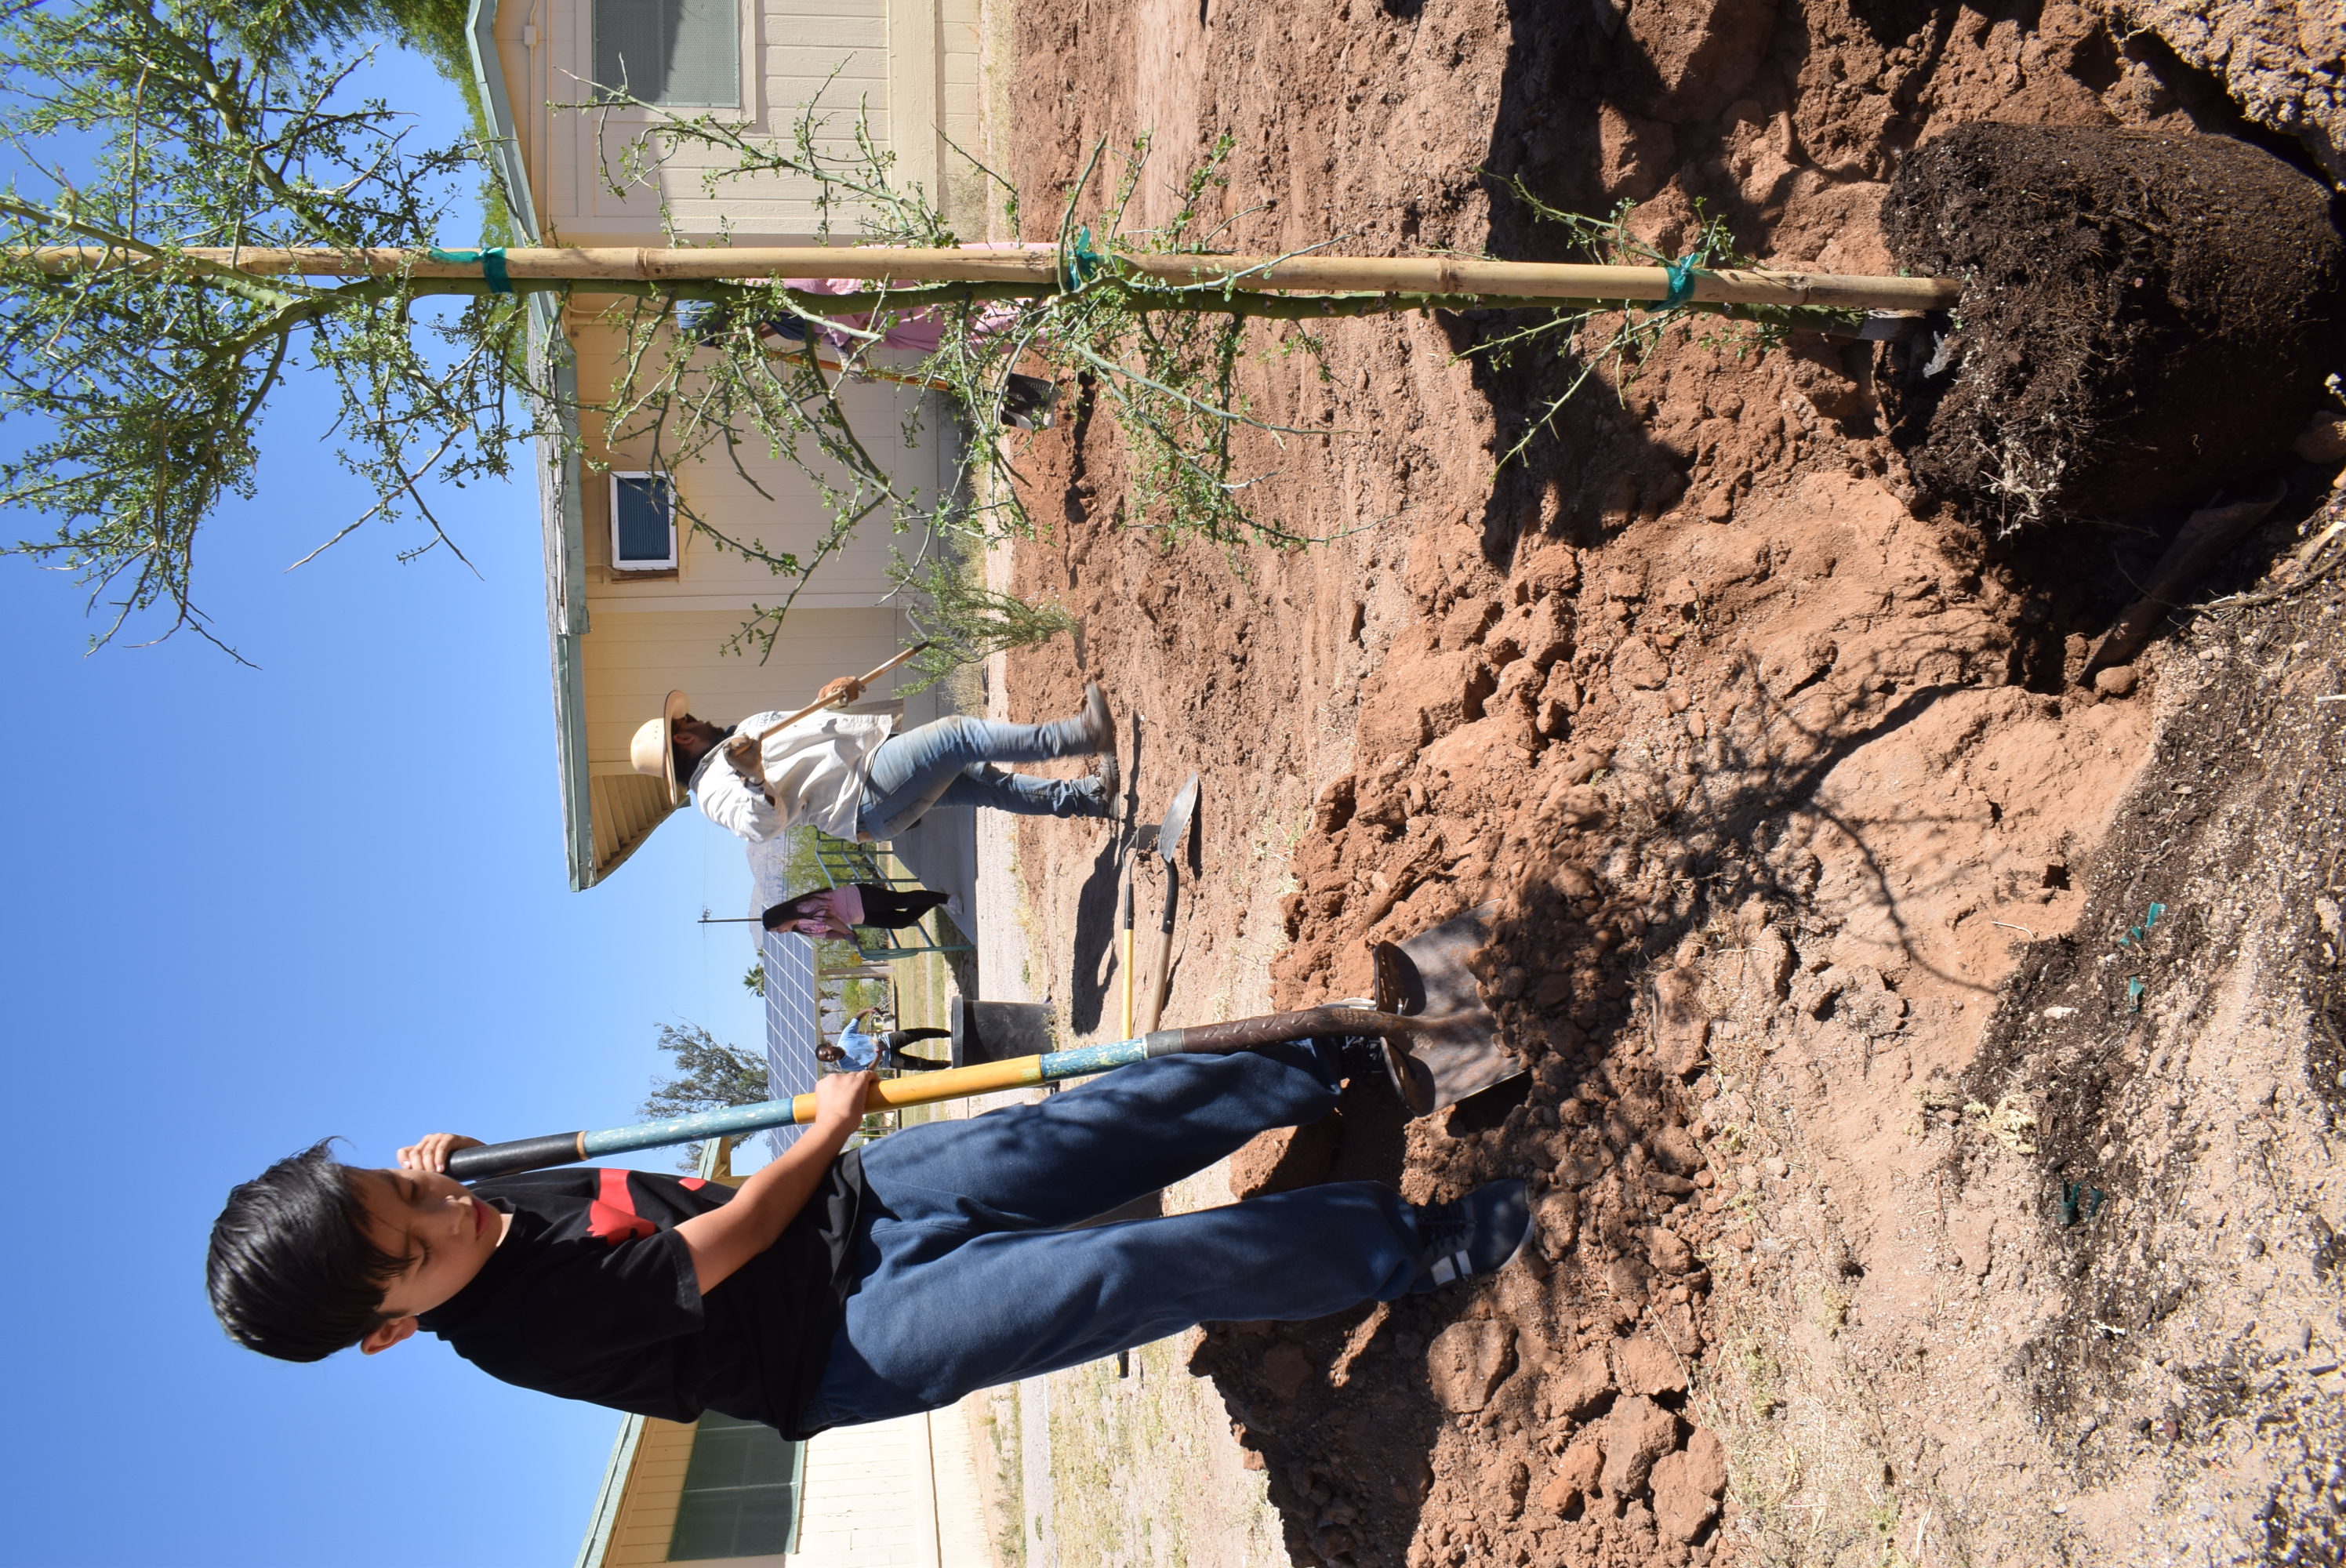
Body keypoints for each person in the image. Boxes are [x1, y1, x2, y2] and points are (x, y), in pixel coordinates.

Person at [204, 1040, 1535, 1441]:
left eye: (403, 1182)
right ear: (393, 1325)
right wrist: (830, 1121)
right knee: (1112, 1274)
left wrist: (457, 1160)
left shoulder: (486, 1199)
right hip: (833, 1338)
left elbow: (591, 1208)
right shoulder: (515, 1333)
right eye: (417, 1239)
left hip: (846, 1209)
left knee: (1067, 1136)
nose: (451, 1210)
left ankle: (1328, 1059)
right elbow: (726, 1234)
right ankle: (1401, 1249)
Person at [632, 680, 1119, 847]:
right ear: (684, 735)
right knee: (959, 736)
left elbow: (812, 729)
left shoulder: (742, 734)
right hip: (866, 798)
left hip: (872, 775)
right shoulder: (716, 788)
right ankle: (1079, 735)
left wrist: (832, 699)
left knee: (982, 783)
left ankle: (1090, 799)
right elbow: (762, 826)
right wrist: (754, 777)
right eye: (690, 720)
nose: (700, 717)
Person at [763, 883, 949, 941]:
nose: (781, 932)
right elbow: (827, 934)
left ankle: (946, 899)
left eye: (777, 929)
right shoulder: (802, 929)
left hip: (859, 897)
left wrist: (848, 933)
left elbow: (830, 919)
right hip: (860, 916)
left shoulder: (801, 908)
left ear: (780, 919)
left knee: (901, 900)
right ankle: (936, 899)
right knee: (901, 921)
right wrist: (844, 937)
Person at [819, 1007, 950, 1073]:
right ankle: (949, 1063)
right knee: (920, 1065)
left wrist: (868, 1010)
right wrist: (879, 1055)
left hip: (886, 1041)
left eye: (827, 1054)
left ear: (829, 1045)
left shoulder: (845, 1037)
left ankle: (948, 1034)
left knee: (915, 1034)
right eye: (827, 1059)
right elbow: (868, 1070)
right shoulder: (846, 1065)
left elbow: (856, 1019)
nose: (830, 1058)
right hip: (887, 1060)